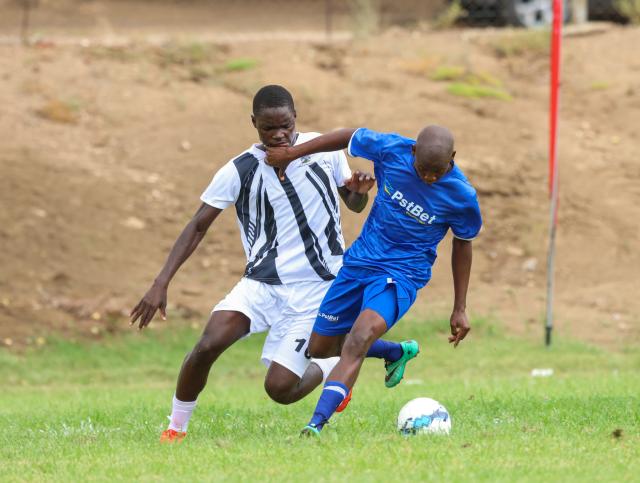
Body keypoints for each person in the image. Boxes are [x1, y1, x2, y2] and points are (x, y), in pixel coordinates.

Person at [130, 85, 380, 443]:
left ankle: (330, 366)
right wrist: (161, 282)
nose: (279, 134)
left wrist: (358, 192)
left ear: (295, 117)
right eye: (268, 127)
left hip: (316, 288)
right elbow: (198, 225)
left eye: (285, 125)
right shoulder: (239, 169)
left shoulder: (325, 151)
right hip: (260, 285)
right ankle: (175, 428)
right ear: (254, 124)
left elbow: (352, 205)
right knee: (207, 345)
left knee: (280, 389)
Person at [266, 125, 483, 435]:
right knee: (322, 347)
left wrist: (460, 306)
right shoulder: (391, 149)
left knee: (359, 337)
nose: (430, 178)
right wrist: (291, 154)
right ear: (412, 154)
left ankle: (315, 425)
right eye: (424, 170)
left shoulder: (462, 196)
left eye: (438, 171)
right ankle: (394, 351)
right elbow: (348, 136)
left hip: (402, 274)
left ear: (453, 158)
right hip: (359, 263)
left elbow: (463, 242)